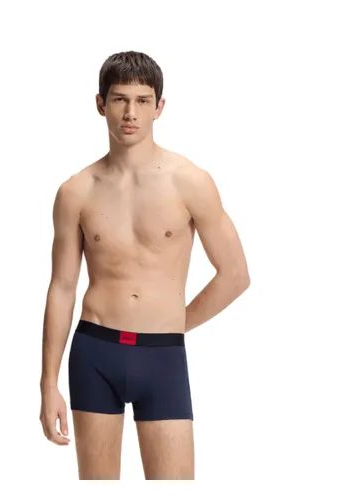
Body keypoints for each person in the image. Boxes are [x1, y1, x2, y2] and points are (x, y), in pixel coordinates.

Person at [39, 50, 250, 480]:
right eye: (119, 99)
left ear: (159, 107)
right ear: (101, 104)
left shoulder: (190, 181)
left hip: (162, 355)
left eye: (142, 101)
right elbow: (62, 287)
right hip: (94, 352)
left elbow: (235, 274)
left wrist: (178, 322)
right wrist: (48, 384)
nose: (130, 113)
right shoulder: (75, 191)